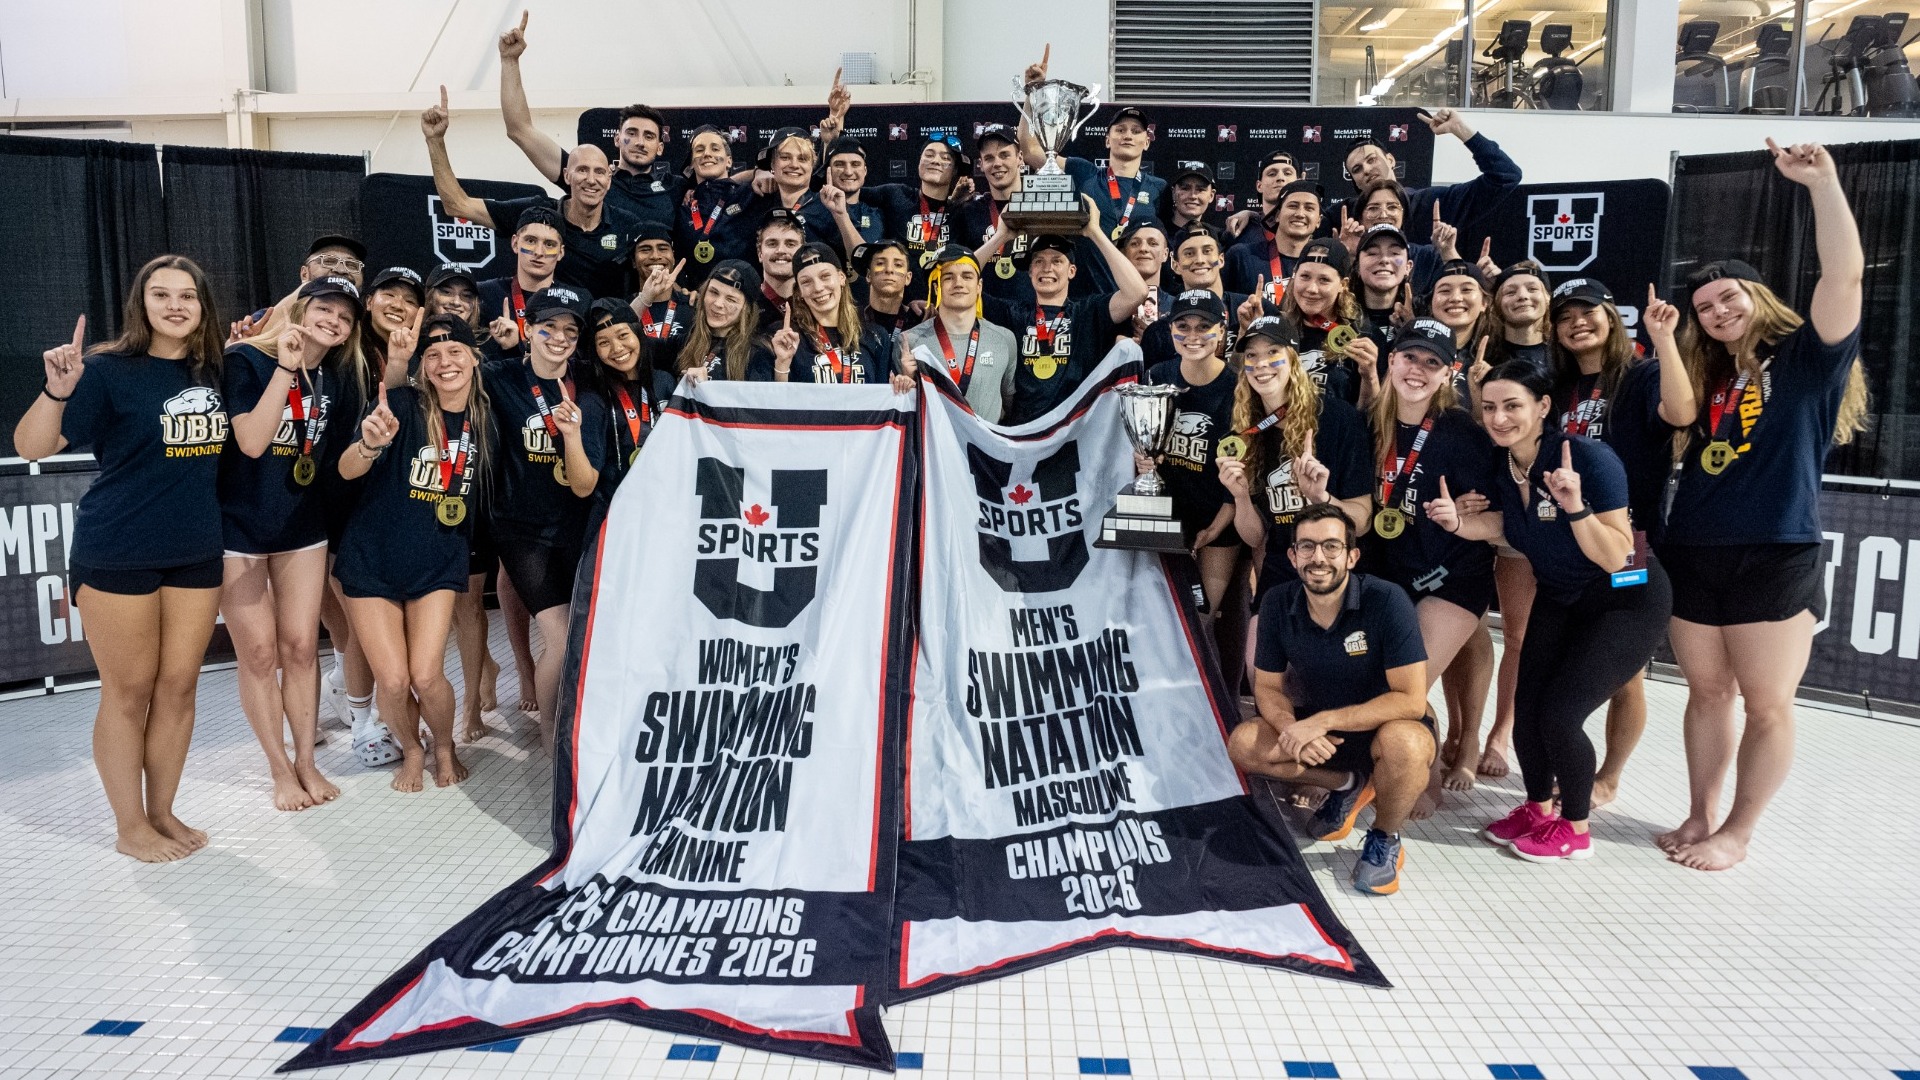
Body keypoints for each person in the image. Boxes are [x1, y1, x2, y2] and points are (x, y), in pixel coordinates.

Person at [1655, 140, 1866, 872]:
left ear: (1758, 297)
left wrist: (1823, 184)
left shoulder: (1810, 360)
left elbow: (1844, 273)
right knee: (1707, 693)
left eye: (1728, 298)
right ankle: (1701, 811)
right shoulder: (1709, 375)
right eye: (1704, 306)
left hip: (1776, 550)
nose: (1715, 311)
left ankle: (1740, 831)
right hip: (1697, 547)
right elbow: (1675, 415)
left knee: (1767, 703)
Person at [17, 255, 227, 861]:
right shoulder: (107, 370)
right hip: (118, 550)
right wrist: (58, 389)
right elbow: (33, 445)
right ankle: (129, 825)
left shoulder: (215, 370)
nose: (175, 305)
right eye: (161, 294)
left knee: (179, 687)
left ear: (202, 305)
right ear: (142, 303)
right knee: (128, 691)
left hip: (194, 551)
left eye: (187, 295)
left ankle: (161, 810)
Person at [1430, 361, 1671, 861]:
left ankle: (1576, 828)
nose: (1499, 418)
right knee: (1527, 713)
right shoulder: (1504, 465)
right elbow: (1503, 526)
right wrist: (1457, 523)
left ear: (1542, 407)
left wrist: (1576, 506)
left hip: (1627, 598)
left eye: (1513, 406)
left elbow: (1617, 553)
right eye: (1491, 407)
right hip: (1562, 595)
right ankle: (1538, 809)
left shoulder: (1589, 458)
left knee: (1560, 717)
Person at [1227, 503, 1435, 896]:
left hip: (1385, 724)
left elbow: (1410, 699)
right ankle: (1349, 783)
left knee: (1405, 744)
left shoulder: (1387, 600)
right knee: (1244, 744)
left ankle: (1384, 838)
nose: (1318, 557)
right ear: (1292, 556)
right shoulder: (1276, 602)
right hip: (1318, 723)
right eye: (1306, 547)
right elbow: (1268, 688)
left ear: (1352, 555)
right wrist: (1292, 728)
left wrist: (1322, 722)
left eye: (1330, 547)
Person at [1544, 276, 1692, 809]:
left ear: (1612, 317)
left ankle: (1609, 774)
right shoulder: (1557, 390)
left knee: (1624, 673)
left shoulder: (1642, 374)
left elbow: (1681, 414)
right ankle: (1567, 761)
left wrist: (1666, 341)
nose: (1577, 323)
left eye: (1588, 312)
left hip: (1634, 544)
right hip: (1568, 543)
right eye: (1565, 316)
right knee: (1568, 662)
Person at [221, 276, 365, 811]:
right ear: (299, 307)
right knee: (258, 653)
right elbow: (253, 442)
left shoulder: (334, 376)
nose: (332, 320)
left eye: (343, 317)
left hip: (302, 525)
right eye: (323, 308)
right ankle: (279, 767)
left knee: (302, 647)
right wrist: (285, 365)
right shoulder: (246, 361)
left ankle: (307, 760)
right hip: (237, 526)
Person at [333, 316, 492, 791]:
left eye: (455, 352)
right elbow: (345, 470)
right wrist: (367, 444)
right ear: (423, 366)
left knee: (426, 674)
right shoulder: (401, 403)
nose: (445, 363)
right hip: (372, 558)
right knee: (395, 680)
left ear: (474, 358)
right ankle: (413, 747)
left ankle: (444, 746)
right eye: (434, 355)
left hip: (437, 559)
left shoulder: (487, 417)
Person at [1366, 318, 1501, 817]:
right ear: (1391, 360)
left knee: (1408, 684)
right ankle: (1424, 746)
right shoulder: (1368, 423)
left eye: (1432, 362)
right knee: (1384, 680)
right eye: (1409, 357)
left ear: (1449, 373)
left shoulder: (1466, 433)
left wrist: (1467, 517)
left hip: (1453, 577)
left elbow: (1502, 515)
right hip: (1390, 574)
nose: (1417, 370)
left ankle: (1424, 772)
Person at [481, 286, 608, 750]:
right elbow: (442, 375)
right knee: (558, 632)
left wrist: (572, 435)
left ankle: (578, 718)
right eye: (548, 327)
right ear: (528, 329)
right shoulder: (498, 377)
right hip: (521, 530)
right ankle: (553, 735)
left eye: (570, 330)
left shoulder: (589, 387)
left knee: (583, 629)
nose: (559, 338)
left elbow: (583, 484)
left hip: (578, 525)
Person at [422, 86, 639, 302]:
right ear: (566, 175)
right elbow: (457, 204)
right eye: (582, 170)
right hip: (550, 330)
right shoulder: (537, 214)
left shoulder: (628, 225)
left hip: (605, 332)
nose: (591, 180)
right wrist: (435, 140)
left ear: (609, 180)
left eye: (599, 172)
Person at [495, 12, 681, 228]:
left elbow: (726, 184)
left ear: (660, 147)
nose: (640, 142)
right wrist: (509, 61)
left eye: (648, 136)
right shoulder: (589, 178)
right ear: (617, 139)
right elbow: (520, 130)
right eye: (632, 133)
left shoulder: (677, 188)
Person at [978, 197, 1150, 424]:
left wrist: (1094, 232)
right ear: (1029, 272)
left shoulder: (1088, 312)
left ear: (1072, 271)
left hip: (1074, 433)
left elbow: (1137, 292)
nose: (1047, 268)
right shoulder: (1013, 313)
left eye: (1057, 261)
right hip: (1023, 433)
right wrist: (1001, 237)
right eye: (1038, 261)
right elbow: (955, 283)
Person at [1336, 109, 1523, 245]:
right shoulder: (1345, 220)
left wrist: (1460, 129)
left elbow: (1505, 176)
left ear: (1391, 160)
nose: (1367, 170)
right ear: (1354, 181)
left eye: (1372, 160)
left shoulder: (1431, 204)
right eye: (1357, 169)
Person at [749, 244, 898, 385]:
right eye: (806, 282)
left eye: (825, 276)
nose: (818, 288)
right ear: (799, 291)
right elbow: (773, 406)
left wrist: (904, 385)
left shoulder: (875, 337)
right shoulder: (784, 337)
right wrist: (782, 363)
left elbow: (884, 403)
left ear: (841, 277)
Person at [902, 247, 1018, 422]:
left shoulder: (1004, 339)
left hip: (984, 447)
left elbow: (1010, 406)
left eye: (967, 276)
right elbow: (901, 410)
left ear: (979, 286)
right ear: (936, 287)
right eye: (948, 277)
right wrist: (906, 383)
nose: (958, 283)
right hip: (933, 447)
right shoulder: (909, 341)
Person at [1273, 237, 1381, 409]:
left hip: (1339, 433)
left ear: (1343, 285)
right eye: (1305, 276)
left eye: (1324, 280)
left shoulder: (1364, 335)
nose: (1311, 289)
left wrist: (1370, 377)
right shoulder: (1276, 329)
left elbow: (1372, 417)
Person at [583, 298, 658, 509]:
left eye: (623, 335)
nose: (617, 348)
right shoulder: (592, 395)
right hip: (611, 508)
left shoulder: (665, 382)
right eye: (603, 342)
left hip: (660, 505)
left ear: (638, 333)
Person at [951, 127, 1035, 307]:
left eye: (1004, 155)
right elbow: (958, 271)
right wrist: (998, 239)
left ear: (1020, 158)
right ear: (981, 164)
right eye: (989, 158)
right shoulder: (969, 211)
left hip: (1033, 318)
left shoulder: (1040, 208)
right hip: (984, 317)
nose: (997, 163)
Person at [229, 235, 367, 341]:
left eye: (352, 265)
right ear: (304, 273)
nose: (341, 270)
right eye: (329, 261)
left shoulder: (368, 326)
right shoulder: (265, 319)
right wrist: (247, 345)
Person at [475, 205, 566, 362]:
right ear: (515, 243)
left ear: (561, 252)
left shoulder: (574, 302)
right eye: (531, 241)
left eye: (549, 244)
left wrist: (517, 344)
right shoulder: (484, 294)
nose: (538, 252)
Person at [1346, 182, 1457, 298]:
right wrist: (1348, 256)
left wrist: (1448, 251)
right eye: (1373, 208)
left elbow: (1460, 289)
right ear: (1360, 217)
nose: (1383, 215)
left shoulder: (1427, 256)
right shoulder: (1353, 254)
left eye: (1392, 207)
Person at [1225, 180, 1322, 304]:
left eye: (1309, 208)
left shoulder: (1324, 265)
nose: (1300, 214)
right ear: (1277, 215)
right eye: (1293, 206)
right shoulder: (1241, 256)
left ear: (1318, 220)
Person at [676, 124, 744, 282]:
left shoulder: (750, 196)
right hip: (693, 299)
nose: (707, 154)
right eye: (699, 150)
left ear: (729, 161)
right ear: (692, 164)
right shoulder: (682, 203)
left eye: (715, 148)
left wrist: (757, 173)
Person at [680, 261, 764, 383]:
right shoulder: (687, 341)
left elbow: (759, 401)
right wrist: (645, 298)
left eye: (731, 299)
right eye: (713, 292)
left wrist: (707, 390)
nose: (718, 304)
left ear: (746, 309)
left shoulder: (757, 355)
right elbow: (643, 349)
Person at [1351, 223, 1418, 361]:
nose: (1384, 260)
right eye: (1373, 253)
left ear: (1408, 267)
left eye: (1394, 253)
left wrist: (1414, 330)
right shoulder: (1339, 315)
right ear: (1357, 266)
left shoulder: (1423, 315)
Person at [1224, 149, 1302, 251]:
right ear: (1259, 186)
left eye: (1287, 173)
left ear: (1299, 182)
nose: (1280, 178)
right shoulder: (1238, 229)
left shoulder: (1315, 228)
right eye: (1272, 174)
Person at [820, 136, 887, 252]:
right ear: (828, 170)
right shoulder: (811, 207)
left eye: (855, 164)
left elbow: (864, 260)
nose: (848, 172)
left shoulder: (876, 214)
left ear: (865, 171)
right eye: (840, 164)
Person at [751, 209, 807, 326]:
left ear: (802, 253)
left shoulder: (816, 301)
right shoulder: (747, 308)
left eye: (790, 244)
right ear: (759, 253)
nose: (781, 250)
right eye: (772, 244)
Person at [852, 240, 918, 335]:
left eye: (898, 265)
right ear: (868, 275)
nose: (889, 269)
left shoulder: (921, 321)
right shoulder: (851, 320)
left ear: (908, 278)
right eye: (880, 263)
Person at [1158, 164, 1218, 232]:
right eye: (1185, 188)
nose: (1193, 196)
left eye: (1200, 189)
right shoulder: (1157, 235)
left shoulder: (1219, 238)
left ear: (1211, 196)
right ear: (1173, 193)